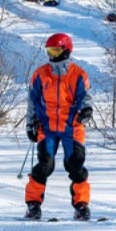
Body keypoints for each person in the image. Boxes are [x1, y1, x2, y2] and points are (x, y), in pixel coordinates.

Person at [25, 33, 93, 221]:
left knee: (75, 164)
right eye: (49, 51)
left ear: (66, 50)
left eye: (55, 50)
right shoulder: (40, 74)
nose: (51, 55)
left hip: (72, 127)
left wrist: (86, 109)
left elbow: (85, 96)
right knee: (45, 165)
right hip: (46, 127)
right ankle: (33, 204)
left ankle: (81, 205)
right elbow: (32, 100)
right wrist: (30, 123)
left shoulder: (78, 74)